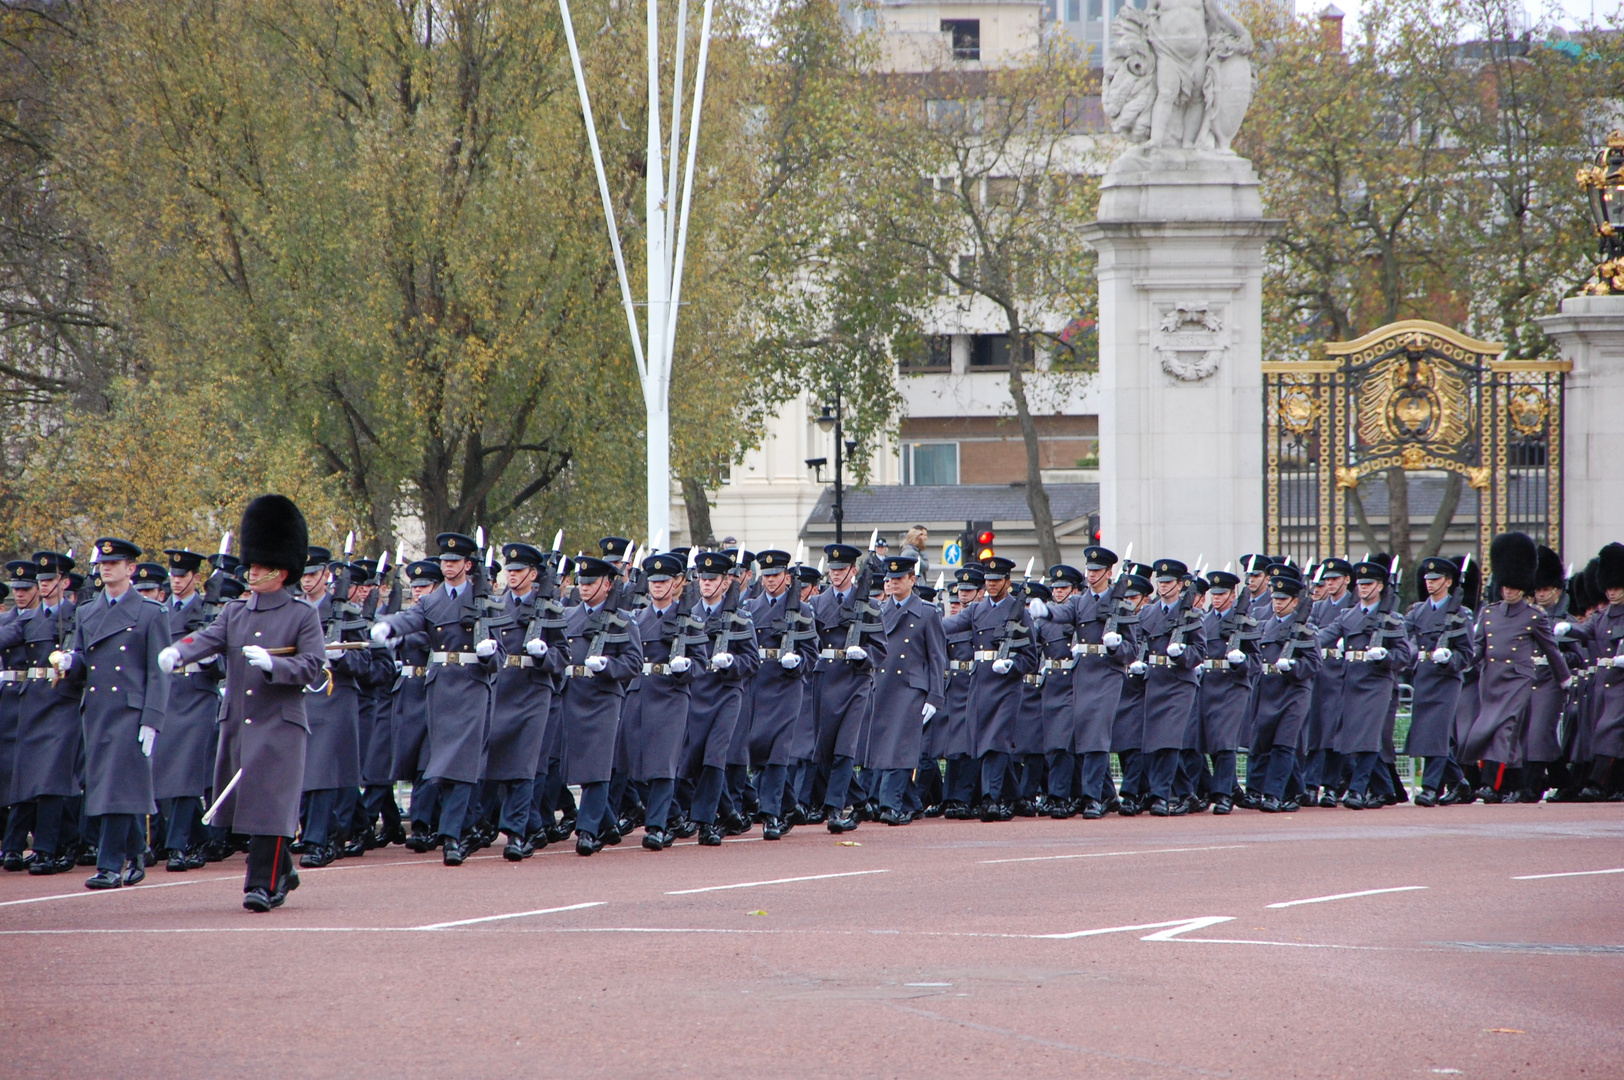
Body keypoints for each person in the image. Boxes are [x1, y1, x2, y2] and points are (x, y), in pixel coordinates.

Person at [164, 496, 324, 910]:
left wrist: (276, 664)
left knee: (270, 810)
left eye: (257, 567)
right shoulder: (235, 612)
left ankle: (261, 886)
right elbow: (207, 638)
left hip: (280, 725)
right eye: (250, 566)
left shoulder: (302, 615)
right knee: (245, 810)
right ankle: (283, 870)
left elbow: (313, 666)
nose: (250, 572)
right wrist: (178, 652)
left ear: (280, 571)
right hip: (240, 722)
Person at [371, 532, 502, 866]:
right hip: (441, 686)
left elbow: (497, 652)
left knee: (463, 764)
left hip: (472, 685)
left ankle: (452, 837)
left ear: (468, 565)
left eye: (455, 562)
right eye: (444, 561)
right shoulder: (431, 600)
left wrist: (489, 653)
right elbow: (413, 619)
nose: (448, 566)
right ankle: (462, 827)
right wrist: (388, 626)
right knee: (440, 765)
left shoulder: (484, 598)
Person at [1463, 533, 1572, 802]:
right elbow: (1479, 647)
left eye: (1513, 587)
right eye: (1505, 587)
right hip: (1491, 679)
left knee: (1505, 730)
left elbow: (1551, 650)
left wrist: (1564, 679)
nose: (1508, 591)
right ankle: (1515, 784)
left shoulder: (1534, 616)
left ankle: (1490, 784)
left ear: (1522, 588)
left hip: (1518, 679)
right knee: (1487, 731)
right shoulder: (1488, 612)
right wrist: (1464, 663)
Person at [943, 555, 1037, 823]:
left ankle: (991, 799)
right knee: (985, 741)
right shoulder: (976, 610)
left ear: (1007, 581)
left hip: (1006, 685)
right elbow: (950, 626)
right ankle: (1016, 797)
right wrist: (926, 622)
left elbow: (1031, 658)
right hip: (981, 682)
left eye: (997, 580)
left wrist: (1012, 664)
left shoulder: (1019, 612)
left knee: (995, 742)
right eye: (989, 580)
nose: (992, 584)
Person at [487, 543, 565, 860]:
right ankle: (532, 826)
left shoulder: (549, 609)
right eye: (510, 570)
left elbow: (563, 655)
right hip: (502, 688)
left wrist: (545, 655)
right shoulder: (495, 606)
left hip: (534, 689)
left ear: (534, 574)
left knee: (523, 764)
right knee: (500, 762)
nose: (513, 575)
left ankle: (516, 834)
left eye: (519, 571)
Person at [676, 551, 758, 845]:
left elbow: (752, 660)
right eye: (703, 578)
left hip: (726, 693)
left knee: (714, 757)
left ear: (725, 582)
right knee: (695, 759)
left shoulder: (738, 617)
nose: (706, 584)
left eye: (713, 579)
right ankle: (727, 812)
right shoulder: (688, 614)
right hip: (696, 692)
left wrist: (732, 664)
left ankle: (705, 822)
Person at [622, 553, 699, 850]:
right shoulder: (636, 617)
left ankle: (656, 826)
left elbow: (701, 663)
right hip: (640, 691)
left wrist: (686, 668)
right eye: (653, 581)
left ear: (677, 582)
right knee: (635, 765)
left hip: (671, 695)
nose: (656, 586)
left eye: (663, 580)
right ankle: (675, 816)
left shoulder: (688, 619)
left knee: (663, 764)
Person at [153, 548, 222, 870]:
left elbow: (225, 659)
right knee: (166, 773)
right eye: (174, 576)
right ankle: (201, 836)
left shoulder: (209, 612)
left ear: (196, 578)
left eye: (183, 576)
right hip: (167, 696)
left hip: (196, 698)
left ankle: (176, 845)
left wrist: (210, 659)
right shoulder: (158, 611)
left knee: (185, 774)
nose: (177, 582)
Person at [864, 555, 946, 825]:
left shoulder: (927, 612)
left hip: (911, 688)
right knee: (888, 744)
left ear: (912, 579)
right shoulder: (877, 610)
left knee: (900, 746)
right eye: (889, 579)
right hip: (884, 686)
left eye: (899, 578)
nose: (892, 583)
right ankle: (912, 802)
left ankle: (890, 804)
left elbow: (937, 658)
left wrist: (935, 696)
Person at [809, 543, 885, 832]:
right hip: (826, 677)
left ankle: (835, 810)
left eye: (842, 569)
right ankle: (861, 802)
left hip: (855, 679)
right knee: (825, 748)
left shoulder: (869, 604)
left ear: (854, 571)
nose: (836, 574)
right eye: (832, 569)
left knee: (844, 749)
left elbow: (881, 646)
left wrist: (865, 655)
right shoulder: (817, 603)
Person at [743, 550, 817, 839]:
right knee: (758, 750)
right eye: (766, 575)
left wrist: (798, 661)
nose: (770, 580)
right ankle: (790, 806)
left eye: (776, 575)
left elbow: (811, 653)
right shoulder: (750, 607)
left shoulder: (801, 609)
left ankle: (771, 815)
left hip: (787, 686)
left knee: (777, 752)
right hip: (759, 684)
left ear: (787, 577)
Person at [1249, 567, 1322, 811]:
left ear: (1295, 601)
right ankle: (1296, 792)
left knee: (1284, 744)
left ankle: (1273, 794)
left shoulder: (1305, 629)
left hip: (1293, 691)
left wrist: (1293, 666)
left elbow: (1314, 663)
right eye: (1274, 599)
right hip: (1268, 689)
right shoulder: (1262, 626)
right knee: (1263, 742)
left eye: (1282, 600)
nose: (1277, 604)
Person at [1403, 556, 1474, 806]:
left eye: (1435, 579)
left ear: (1448, 582)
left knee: (1438, 733)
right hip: (1424, 675)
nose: (1430, 584)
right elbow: (1405, 640)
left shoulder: (1460, 613)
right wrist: (1414, 656)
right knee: (1425, 733)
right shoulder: (1418, 611)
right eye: (1428, 579)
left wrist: (1450, 658)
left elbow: (1467, 653)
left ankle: (1430, 788)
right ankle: (1459, 783)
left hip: (1446, 679)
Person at [1197, 569, 1258, 814]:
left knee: (1224, 743)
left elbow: (1255, 661)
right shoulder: (1203, 620)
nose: (1217, 598)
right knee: (1206, 743)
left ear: (1233, 594)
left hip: (1232, 686)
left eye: (1222, 594)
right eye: (1214, 594)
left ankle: (1223, 795)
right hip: (1208, 685)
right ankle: (1226, 787)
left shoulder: (1244, 621)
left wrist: (1240, 661)